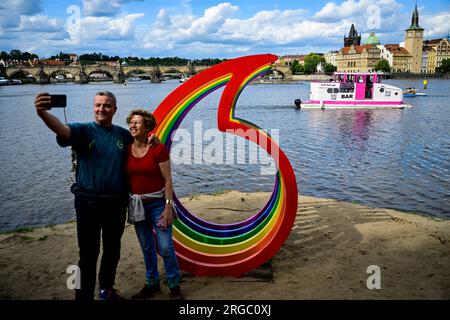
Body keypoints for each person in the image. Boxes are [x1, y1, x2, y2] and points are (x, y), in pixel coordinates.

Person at [34, 91, 153, 301]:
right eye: (98, 105)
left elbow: (142, 145)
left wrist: (152, 139)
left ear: (114, 110)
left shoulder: (123, 135)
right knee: (87, 255)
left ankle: (107, 290)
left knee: (112, 251)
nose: (101, 109)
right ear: (93, 107)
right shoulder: (83, 130)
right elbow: (62, 129)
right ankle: (83, 295)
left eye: (107, 106)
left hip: (116, 203)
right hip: (87, 203)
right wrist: (43, 114)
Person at [125, 109, 182, 300]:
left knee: (165, 246)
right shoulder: (126, 147)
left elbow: (168, 180)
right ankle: (152, 284)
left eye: (137, 122)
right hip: (137, 206)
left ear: (147, 126)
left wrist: (167, 207)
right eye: (131, 122)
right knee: (147, 247)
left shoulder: (158, 148)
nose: (133, 126)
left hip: (158, 205)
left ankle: (174, 286)